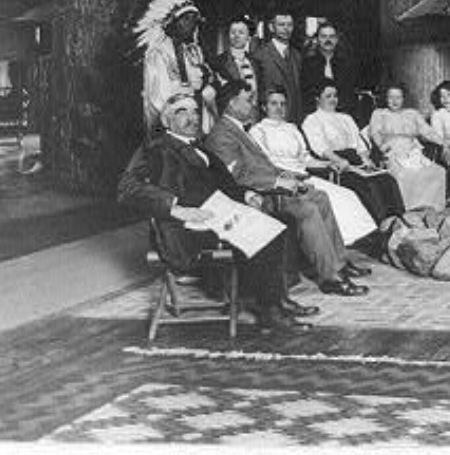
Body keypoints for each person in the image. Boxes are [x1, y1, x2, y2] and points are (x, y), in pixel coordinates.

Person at [117, 91, 314, 331]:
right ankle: (269, 312)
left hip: (219, 216)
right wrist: (176, 209)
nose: (192, 117)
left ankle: (277, 298)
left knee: (284, 221)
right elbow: (127, 187)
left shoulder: (203, 149)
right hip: (186, 228)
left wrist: (246, 194)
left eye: (195, 111)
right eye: (182, 112)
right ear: (167, 121)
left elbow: (227, 186)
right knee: (265, 233)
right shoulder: (156, 148)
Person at [204, 86, 369, 296]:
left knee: (320, 196)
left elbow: (264, 166)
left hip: (271, 186)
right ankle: (330, 277)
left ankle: (338, 263)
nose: (252, 105)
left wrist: (293, 177)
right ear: (232, 103)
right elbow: (235, 178)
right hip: (258, 196)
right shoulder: (222, 135)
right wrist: (279, 183)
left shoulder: (237, 129)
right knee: (307, 209)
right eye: (247, 100)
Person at [303, 82, 404, 224]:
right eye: (328, 96)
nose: (333, 99)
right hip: (337, 163)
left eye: (335, 96)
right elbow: (321, 148)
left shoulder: (346, 118)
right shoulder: (312, 120)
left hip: (355, 159)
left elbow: (358, 143)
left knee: (387, 179)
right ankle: (380, 224)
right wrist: (338, 160)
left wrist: (365, 158)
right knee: (368, 185)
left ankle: (398, 221)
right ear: (317, 99)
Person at [134, 0, 218, 134]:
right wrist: (190, 90)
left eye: (193, 20)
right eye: (185, 19)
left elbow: (206, 79)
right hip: (171, 121)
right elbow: (158, 97)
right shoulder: (158, 54)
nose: (191, 25)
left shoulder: (192, 52)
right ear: (170, 22)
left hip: (195, 115)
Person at [366, 85, 447, 212]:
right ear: (386, 99)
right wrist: (381, 146)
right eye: (391, 97)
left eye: (398, 97)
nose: (394, 101)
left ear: (403, 99)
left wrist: (444, 143)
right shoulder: (379, 114)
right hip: (392, 152)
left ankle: (433, 209)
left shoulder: (412, 113)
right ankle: (409, 211)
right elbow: (375, 133)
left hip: (413, 151)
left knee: (438, 171)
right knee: (404, 175)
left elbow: (427, 131)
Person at [300, 21, 361, 124]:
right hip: (316, 118)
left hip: (343, 116)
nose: (328, 40)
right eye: (323, 36)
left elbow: (351, 93)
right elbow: (306, 93)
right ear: (318, 39)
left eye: (331, 36)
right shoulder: (307, 64)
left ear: (336, 40)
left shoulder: (348, 64)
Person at [253, 11, 303, 125]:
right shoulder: (260, 55)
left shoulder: (297, 56)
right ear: (271, 27)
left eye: (289, 25)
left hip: (294, 121)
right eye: (281, 25)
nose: (286, 29)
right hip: (271, 121)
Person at [213, 16, 261, 105]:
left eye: (241, 32)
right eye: (233, 32)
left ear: (248, 37)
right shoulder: (219, 62)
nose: (236, 36)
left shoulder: (256, 63)